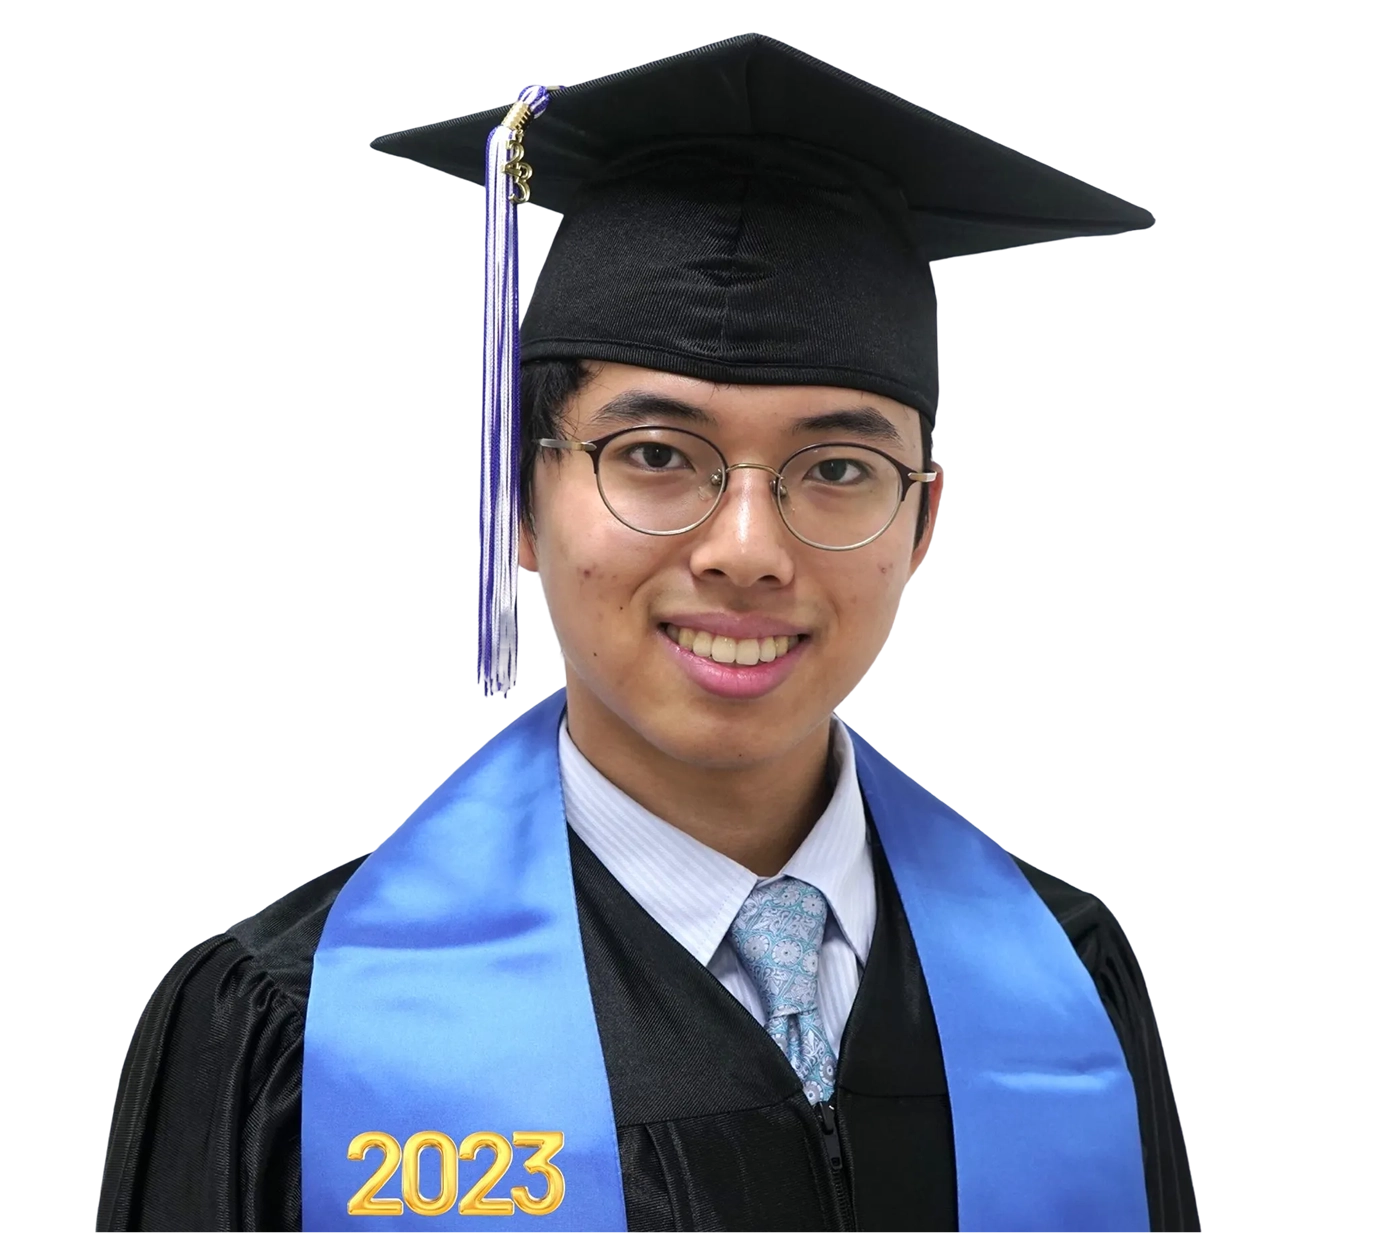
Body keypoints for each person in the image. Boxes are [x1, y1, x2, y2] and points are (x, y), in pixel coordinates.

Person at [98, 35, 1193, 1232]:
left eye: (839, 468)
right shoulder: (303, 1024)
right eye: (657, 455)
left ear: (926, 523)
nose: (747, 549)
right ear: (519, 506)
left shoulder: (1066, 984)